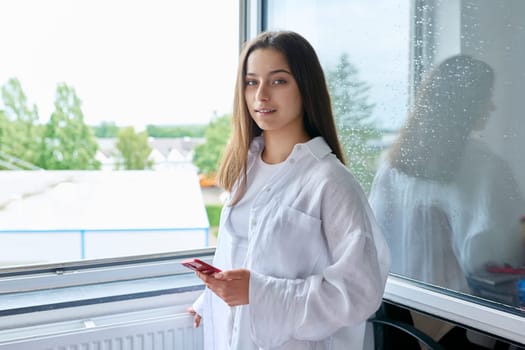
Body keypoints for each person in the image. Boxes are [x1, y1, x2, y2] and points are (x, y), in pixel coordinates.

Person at [187, 30, 390, 350]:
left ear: (306, 89)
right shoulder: (246, 170)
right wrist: (212, 297)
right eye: (251, 82)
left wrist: (257, 293)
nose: (261, 95)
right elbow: (249, 253)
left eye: (278, 81)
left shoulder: (331, 182)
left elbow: (359, 292)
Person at [369, 54, 525, 348]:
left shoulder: (394, 164)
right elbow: (497, 257)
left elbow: (375, 240)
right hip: (458, 325)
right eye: (485, 97)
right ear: (465, 104)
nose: (492, 107)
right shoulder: (485, 167)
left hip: (399, 319)